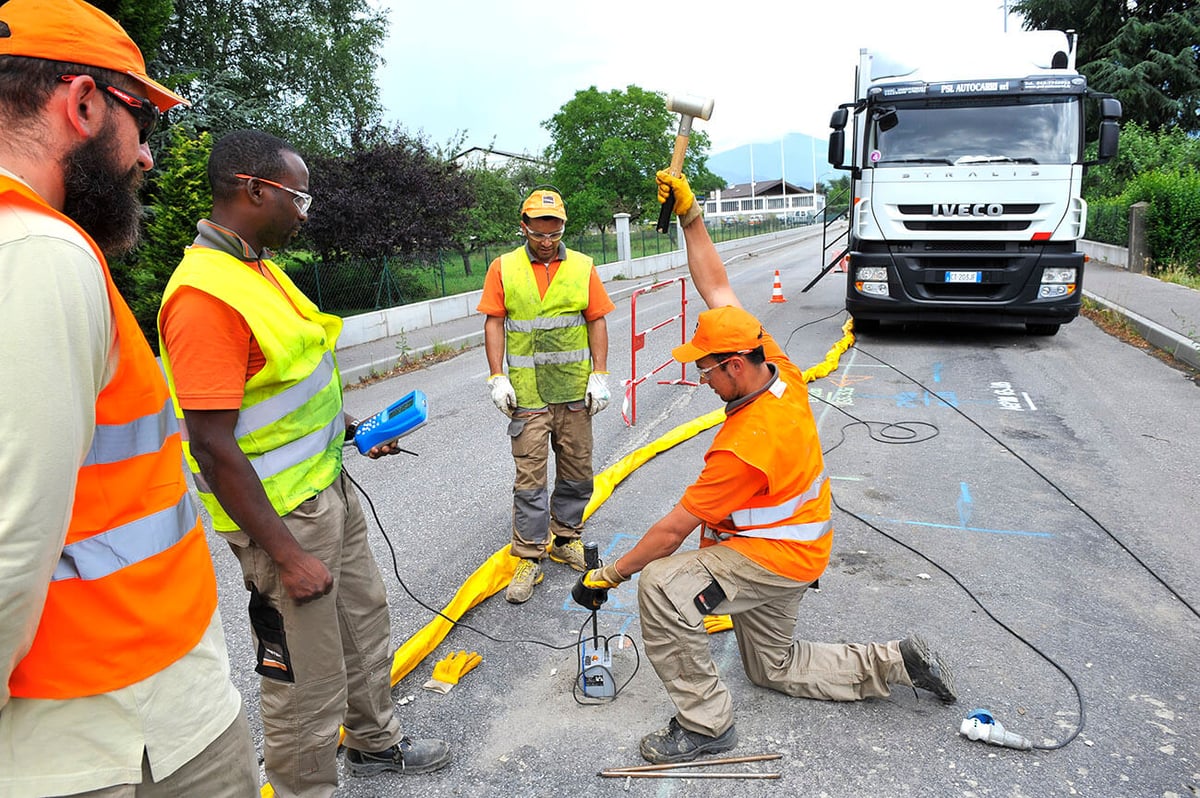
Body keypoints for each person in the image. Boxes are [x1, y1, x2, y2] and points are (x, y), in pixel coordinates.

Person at [571, 170, 957, 765]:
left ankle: (705, 726)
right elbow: (718, 289)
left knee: (662, 588)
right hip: (797, 552)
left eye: (705, 368)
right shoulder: (778, 369)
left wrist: (610, 576)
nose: (700, 378)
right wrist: (691, 217)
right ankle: (895, 661)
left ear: (733, 366)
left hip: (770, 557)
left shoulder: (746, 444)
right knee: (772, 668)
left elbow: (673, 532)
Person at [0, 1, 260, 795]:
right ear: (81, 104)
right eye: (140, 121)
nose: (146, 155)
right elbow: (11, 540)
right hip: (116, 728)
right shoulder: (39, 254)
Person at [156, 130, 450, 797]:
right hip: (282, 518)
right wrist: (285, 554)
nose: (306, 210)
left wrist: (354, 431)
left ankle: (375, 744)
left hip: (327, 493)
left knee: (364, 622)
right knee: (303, 678)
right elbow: (211, 444)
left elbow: (289, 390)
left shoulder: (254, 268)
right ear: (254, 190)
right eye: (298, 195)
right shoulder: (204, 296)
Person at [477, 188, 616, 603]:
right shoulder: (503, 268)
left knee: (576, 471)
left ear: (562, 228)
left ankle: (566, 537)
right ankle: (528, 556)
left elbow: (597, 321)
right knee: (530, 480)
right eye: (539, 232)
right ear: (524, 226)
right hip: (528, 394)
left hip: (574, 389)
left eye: (554, 232)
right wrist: (497, 376)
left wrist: (601, 375)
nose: (546, 240)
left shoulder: (583, 267)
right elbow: (494, 323)